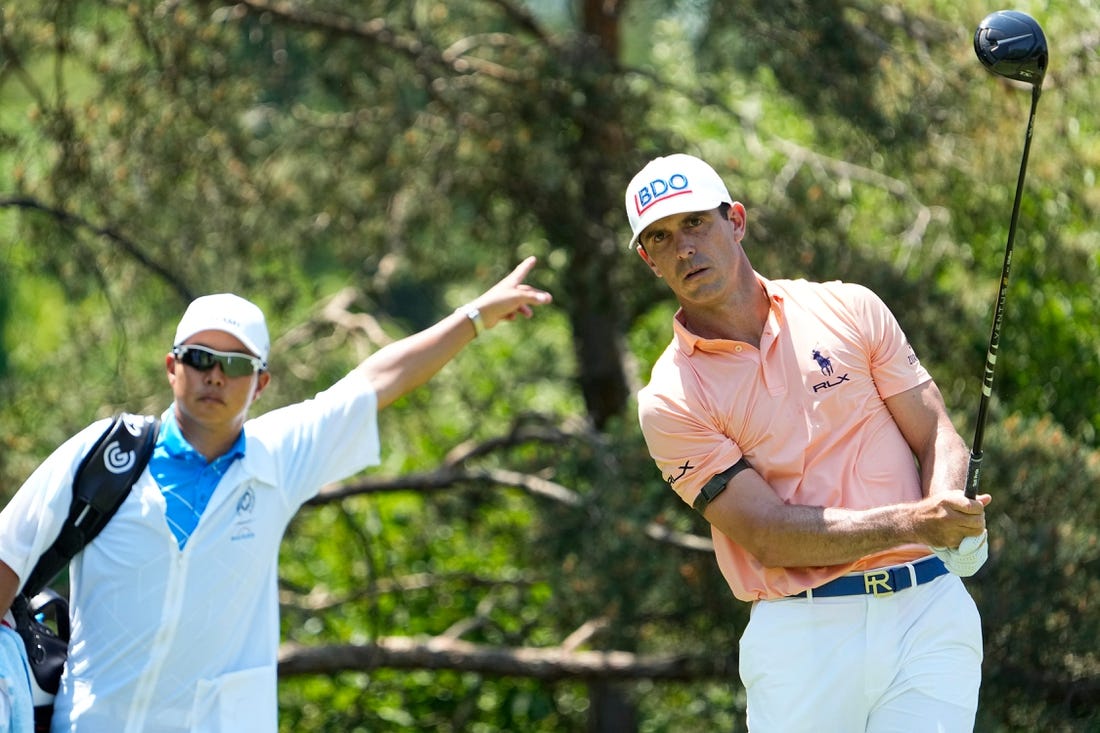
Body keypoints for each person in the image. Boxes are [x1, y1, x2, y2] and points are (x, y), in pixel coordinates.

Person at [0, 256, 551, 732]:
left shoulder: (280, 456)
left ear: (261, 383)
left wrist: (474, 316)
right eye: (198, 358)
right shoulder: (106, 453)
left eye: (236, 365)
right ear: (172, 368)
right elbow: (8, 552)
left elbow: (377, 380)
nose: (214, 375)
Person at [625, 153, 991, 732]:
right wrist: (919, 522)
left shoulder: (850, 306)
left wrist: (950, 514)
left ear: (736, 221)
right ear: (649, 259)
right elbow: (769, 534)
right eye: (661, 237)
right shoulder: (670, 399)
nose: (684, 247)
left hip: (927, 611)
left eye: (696, 222)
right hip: (803, 638)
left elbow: (936, 432)